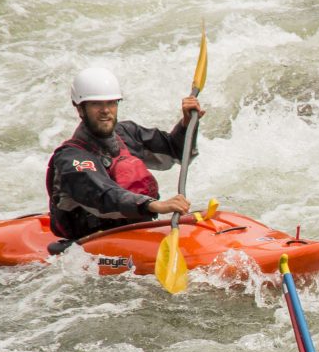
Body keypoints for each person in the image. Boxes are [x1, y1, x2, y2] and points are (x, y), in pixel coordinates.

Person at [45, 65, 204, 242]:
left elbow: (176, 153)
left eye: (111, 103)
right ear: (80, 109)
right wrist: (153, 205)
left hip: (133, 231)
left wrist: (187, 124)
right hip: (90, 242)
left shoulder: (127, 133)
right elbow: (104, 195)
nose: (105, 110)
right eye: (96, 104)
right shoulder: (71, 158)